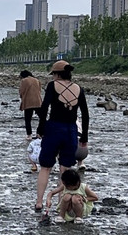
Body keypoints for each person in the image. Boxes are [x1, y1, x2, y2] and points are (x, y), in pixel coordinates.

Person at [33, 59, 89, 214]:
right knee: (64, 170)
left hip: (53, 128)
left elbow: (44, 109)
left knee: (45, 167)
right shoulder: (79, 89)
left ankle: (39, 202)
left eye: (53, 74)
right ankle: (60, 205)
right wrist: (84, 137)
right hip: (71, 130)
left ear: (57, 74)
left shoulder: (52, 86)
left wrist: (40, 128)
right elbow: (85, 114)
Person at [19, 69, 44, 146]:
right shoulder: (37, 80)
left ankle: (29, 135)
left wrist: (22, 97)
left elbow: (21, 91)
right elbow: (39, 90)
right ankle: (39, 133)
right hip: (38, 101)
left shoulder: (24, 81)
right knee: (42, 118)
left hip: (28, 102)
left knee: (28, 119)